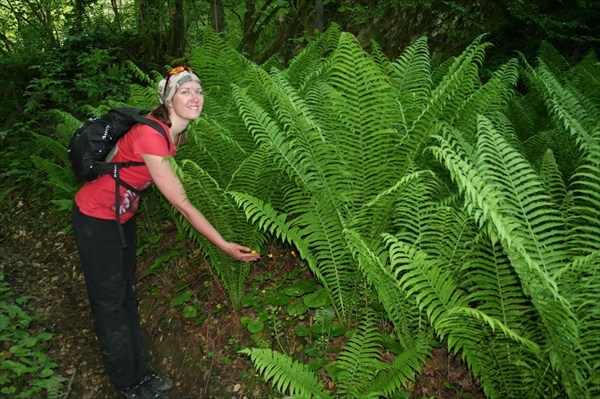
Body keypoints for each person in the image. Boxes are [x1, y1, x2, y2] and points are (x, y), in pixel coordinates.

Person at [71, 66, 260, 399]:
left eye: (199, 91)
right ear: (168, 99)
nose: (195, 97)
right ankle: (129, 382)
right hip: (96, 217)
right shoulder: (152, 135)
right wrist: (222, 243)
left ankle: (138, 370)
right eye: (185, 91)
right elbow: (183, 203)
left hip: (121, 218)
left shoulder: (172, 133)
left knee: (126, 295)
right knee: (111, 303)